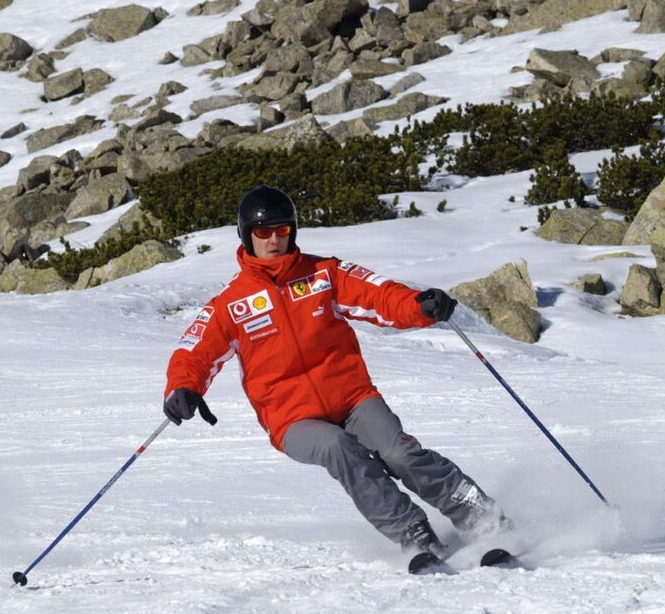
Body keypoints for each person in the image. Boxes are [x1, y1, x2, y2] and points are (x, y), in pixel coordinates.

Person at [164, 185, 509, 558]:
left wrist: (418, 305)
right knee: (338, 447)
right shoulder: (231, 303)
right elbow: (194, 350)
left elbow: (378, 295)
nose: (274, 240)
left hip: (352, 398)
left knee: (399, 452)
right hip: (292, 419)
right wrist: (183, 387)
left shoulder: (323, 274)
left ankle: (482, 517)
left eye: (282, 230)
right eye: (263, 232)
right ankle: (413, 532)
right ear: (247, 235)